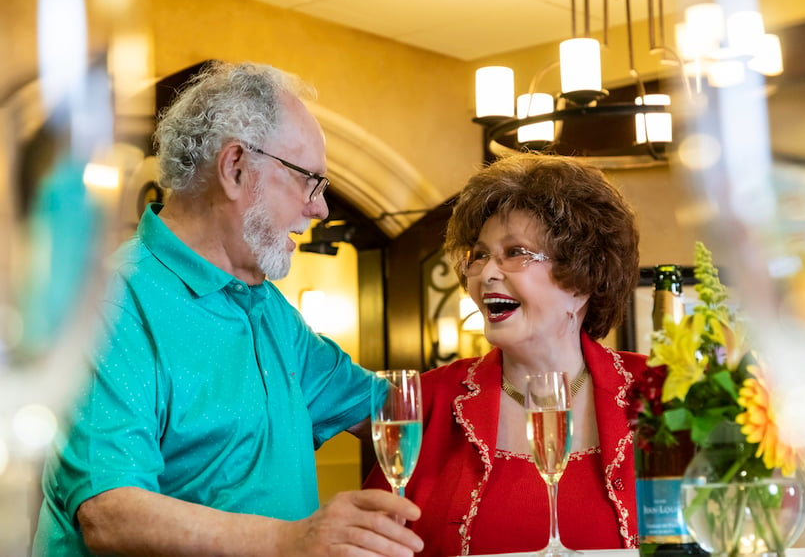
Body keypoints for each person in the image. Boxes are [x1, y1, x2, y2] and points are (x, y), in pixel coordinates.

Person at [33, 61, 423, 557]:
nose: (321, 209)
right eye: (310, 181)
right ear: (235, 167)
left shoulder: (266, 306)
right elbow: (110, 513)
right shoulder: (108, 303)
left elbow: (391, 409)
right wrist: (294, 540)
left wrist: (525, 359)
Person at [365, 153, 646, 555]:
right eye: (479, 255)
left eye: (515, 252)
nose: (485, 273)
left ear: (581, 282)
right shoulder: (427, 401)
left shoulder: (659, 392)